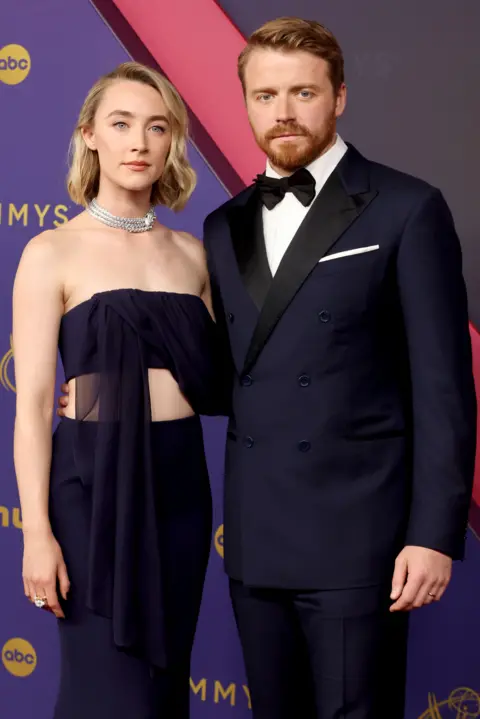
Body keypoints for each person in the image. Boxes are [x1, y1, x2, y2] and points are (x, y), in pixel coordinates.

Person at [200, 17, 476, 719]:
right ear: (246, 103)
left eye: (302, 92)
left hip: (363, 539)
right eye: (264, 96)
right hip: (256, 538)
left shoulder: (408, 207)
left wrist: (432, 533)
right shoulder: (222, 224)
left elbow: (444, 386)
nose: (283, 112)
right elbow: (233, 374)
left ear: (340, 96)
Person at [13, 61, 224, 719]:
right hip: (93, 486)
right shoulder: (51, 252)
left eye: (156, 127)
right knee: (108, 692)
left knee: (164, 689)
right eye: (122, 123)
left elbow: (220, 380)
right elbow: (32, 407)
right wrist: (37, 534)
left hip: (182, 486)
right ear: (90, 136)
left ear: (171, 143)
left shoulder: (192, 254)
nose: (139, 142)